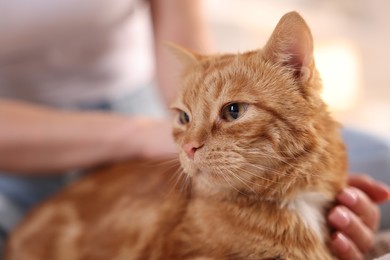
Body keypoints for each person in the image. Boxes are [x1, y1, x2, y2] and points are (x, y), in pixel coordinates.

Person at [0, 1, 389, 259]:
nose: (193, 146)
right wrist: (139, 135)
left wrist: (189, 111)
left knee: (382, 163)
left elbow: (187, 53)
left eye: (233, 111)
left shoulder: (192, 128)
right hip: (18, 146)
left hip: (153, 104)